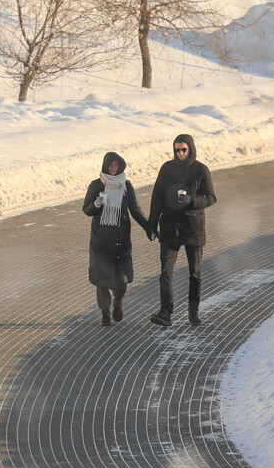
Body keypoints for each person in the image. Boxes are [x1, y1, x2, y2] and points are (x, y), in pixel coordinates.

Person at [146, 133, 217, 327]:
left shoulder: (201, 170)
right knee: (165, 272)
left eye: (183, 149)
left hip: (193, 229)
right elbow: (157, 198)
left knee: (195, 273)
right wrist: (151, 223)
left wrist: (191, 201)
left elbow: (211, 198)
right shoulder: (167, 169)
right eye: (177, 150)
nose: (180, 153)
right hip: (169, 228)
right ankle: (165, 312)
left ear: (190, 149)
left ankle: (193, 313)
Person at [82, 151, 150, 326]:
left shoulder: (126, 185)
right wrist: (97, 204)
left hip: (121, 242)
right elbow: (87, 210)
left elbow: (134, 209)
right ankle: (105, 312)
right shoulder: (96, 185)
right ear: (105, 166)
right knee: (102, 281)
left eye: (116, 166)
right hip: (100, 242)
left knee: (121, 280)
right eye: (111, 165)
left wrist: (148, 227)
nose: (113, 169)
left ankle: (118, 300)